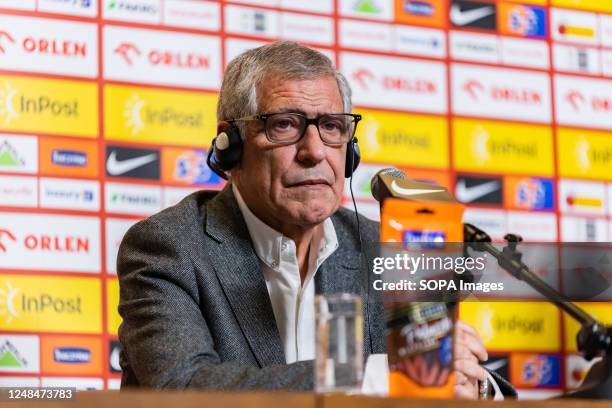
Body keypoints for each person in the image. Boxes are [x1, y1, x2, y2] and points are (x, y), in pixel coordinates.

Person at [117, 41, 491, 398]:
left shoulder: (388, 249)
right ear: (230, 144)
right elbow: (182, 388)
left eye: (331, 127)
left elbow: (465, 376)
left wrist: (471, 386)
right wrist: (381, 375)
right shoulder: (169, 247)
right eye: (284, 125)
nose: (314, 151)